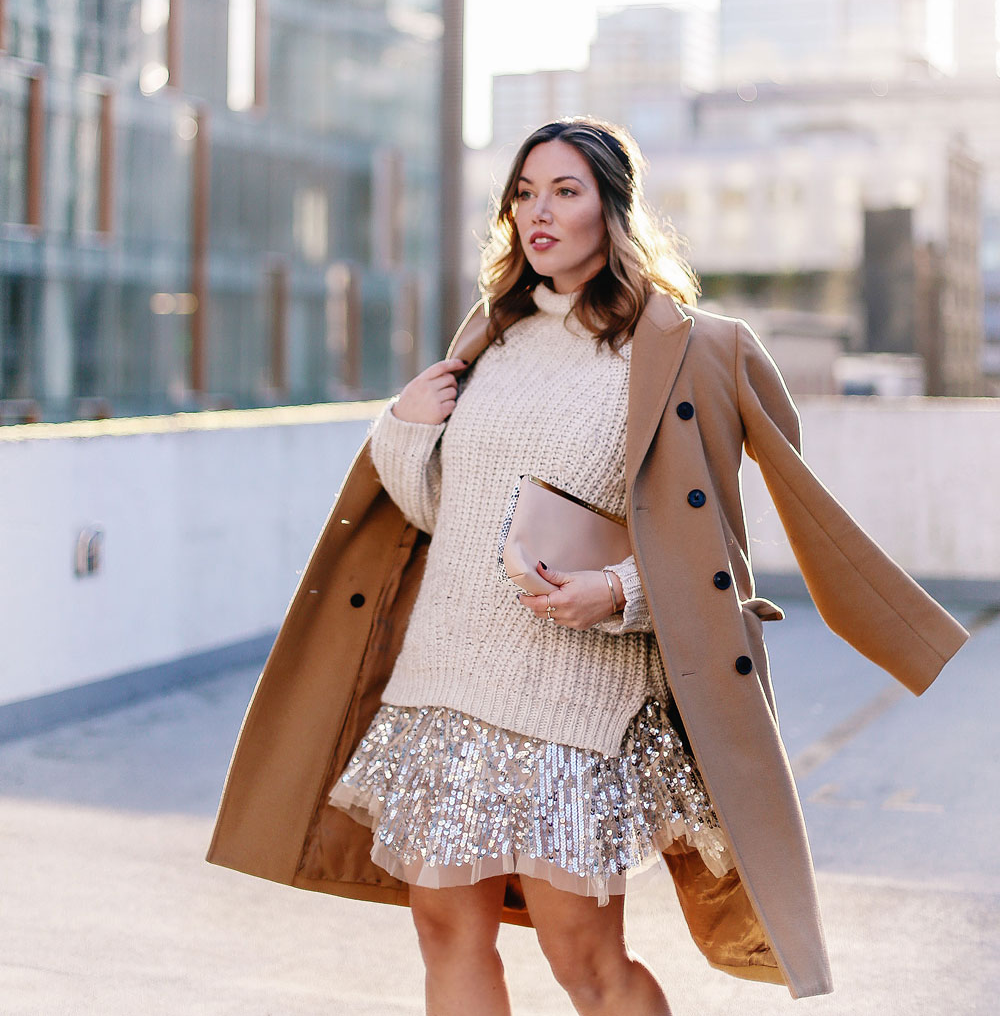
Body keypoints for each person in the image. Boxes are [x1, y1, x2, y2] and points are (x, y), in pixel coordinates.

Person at [207, 116, 969, 1012]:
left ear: (614, 208)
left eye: (565, 191)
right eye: (524, 193)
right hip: (444, 686)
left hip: (574, 709)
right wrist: (404, 428)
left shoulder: (689, 352)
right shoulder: (490, 334)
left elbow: (714, 549)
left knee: (585, 961)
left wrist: (619, 591)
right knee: (446, 934)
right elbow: (442, 517)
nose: (539, 212)